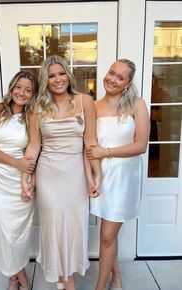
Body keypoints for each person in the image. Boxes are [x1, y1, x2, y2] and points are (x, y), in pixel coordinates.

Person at [21, 55, 101, 290]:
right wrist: (25, 176)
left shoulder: (85, 101)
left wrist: (95, 176)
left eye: (61, 73)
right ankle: (68, 282)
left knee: (74, 225)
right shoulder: (37, 107)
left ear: (68, 75)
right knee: (54, 224)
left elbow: (91, 142)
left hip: (75, 175)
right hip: (48, 174)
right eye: (51, 75)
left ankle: (65, 275)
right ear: (45, 80)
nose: (57, 79)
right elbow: (34, 145)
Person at [86, 59, 150, 290]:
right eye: (111, 73)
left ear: (128, 83)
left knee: (106, 235)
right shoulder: (92, 106)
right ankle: (117, 275)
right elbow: (88, 145)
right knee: (108, 236)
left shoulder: (137, 104)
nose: (112, 79)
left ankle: (100, 287)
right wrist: (91, 176)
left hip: (124, 179)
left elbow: (141, 145)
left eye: (120, 77)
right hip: (100, 177)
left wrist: (107, 152)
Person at [0, 71, 39, 290]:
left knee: (18, 234)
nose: (22, 93)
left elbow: (33, 150)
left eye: (28, 90)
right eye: (18, 87)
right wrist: (16, 162)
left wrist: (28, 180)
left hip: (20, 180)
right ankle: (19, 277)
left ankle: (14, 276)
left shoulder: (32, 116)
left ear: (33, 95)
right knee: (5, 231)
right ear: (11, 87)